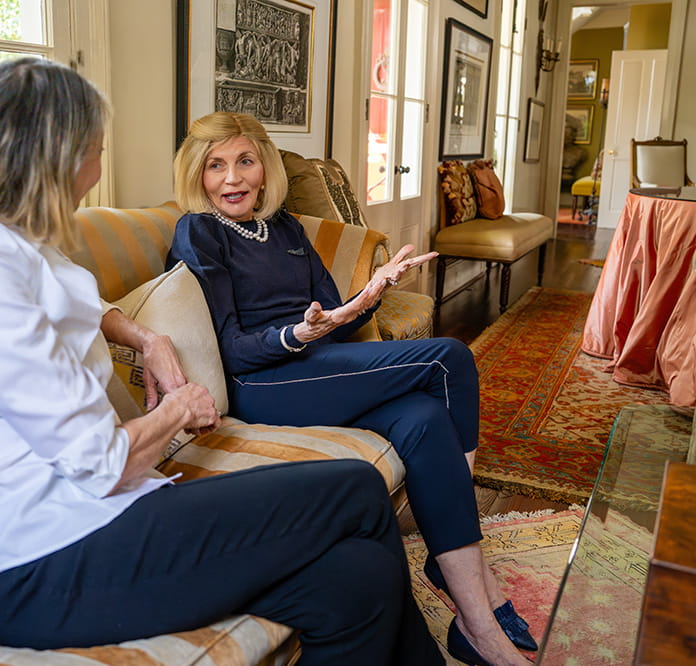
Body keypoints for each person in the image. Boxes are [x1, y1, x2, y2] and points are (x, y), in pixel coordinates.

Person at [0, 58, 444, 665]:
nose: (97, 169)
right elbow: (98, 463)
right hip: (37, 566)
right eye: (96, 150)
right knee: (357, 489)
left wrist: (148, 339)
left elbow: (82, 298)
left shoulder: (4, 243)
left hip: (87, 520)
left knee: (357, 581)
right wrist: (178, 408)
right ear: (60, 158)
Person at [167, 111, 537, 666]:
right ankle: (476, 568)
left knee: (424, 418)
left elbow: (331, 311)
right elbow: (233, 347)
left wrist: (369, 295)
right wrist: (296, 333)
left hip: (319, 365)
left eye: (245, 161)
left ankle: (475, 626)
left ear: (265, 169)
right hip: (262, 382)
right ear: (198, 175)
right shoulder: (200, 232)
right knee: (450, 358)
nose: (232, 178)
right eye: (215, 166)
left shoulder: (287, 228)